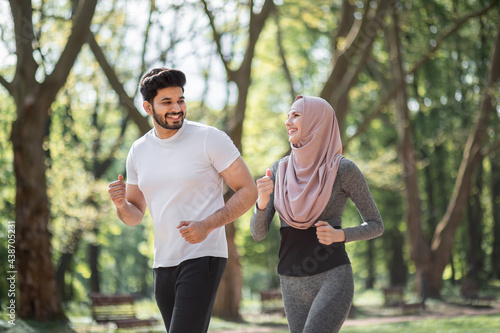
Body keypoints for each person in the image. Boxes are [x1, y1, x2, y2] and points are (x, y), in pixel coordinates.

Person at [108, 68, 258, 333]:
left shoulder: (209, 138)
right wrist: (121, 205)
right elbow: (135, 215)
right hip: (163, 262)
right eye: (167, 102)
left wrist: (208, 225)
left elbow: (248, 190)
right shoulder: (139, 150)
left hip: (204, 255)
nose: (177, 108)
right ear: (147, 107)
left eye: (180, 100)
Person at [250, 95, 384, 333]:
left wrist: (339, 235)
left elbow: (376, 224)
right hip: (290, 279)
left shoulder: (343, 169)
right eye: (288, 115)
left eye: (296, 115)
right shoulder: (279, 169)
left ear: (316, 121)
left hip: (332, 276)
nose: (287, 121)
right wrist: (261, 203)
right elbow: (258, 233)